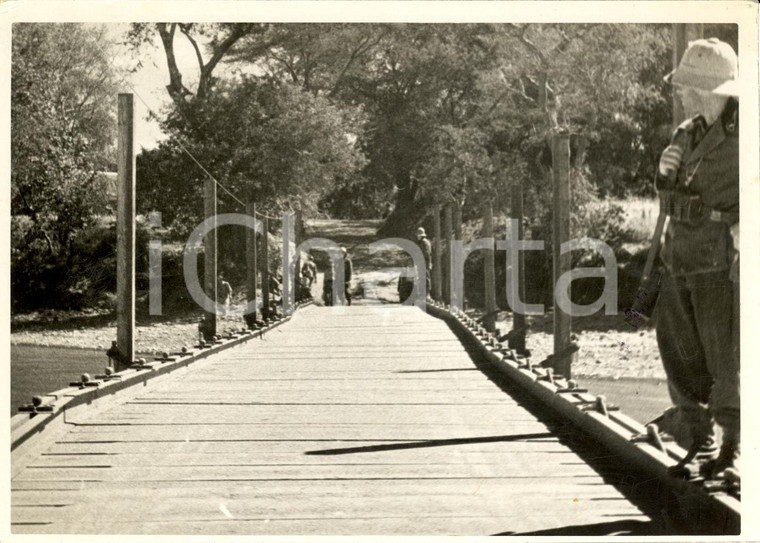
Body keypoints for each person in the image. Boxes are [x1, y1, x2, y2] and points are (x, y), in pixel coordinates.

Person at [654, 38, 739, 481]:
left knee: (725, 358)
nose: (682, 93)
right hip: (679, 257)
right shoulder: (685, 134)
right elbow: (673, 198)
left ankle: (732, 448)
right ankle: (697, 438)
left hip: (719, 263)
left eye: (689, 87)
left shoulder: (745, 136)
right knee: (677, 352)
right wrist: (663, 174)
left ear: (712, 90)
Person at [416, 227, 433, 297]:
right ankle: (425, 294)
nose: (417, 237)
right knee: (425, 278)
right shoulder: (426, 242)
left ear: (420, 235)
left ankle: (426, 294)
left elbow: (426, 254)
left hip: (424, 262)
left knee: (425, 278)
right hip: (425, 262)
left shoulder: (424, 242)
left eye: (418, 235)